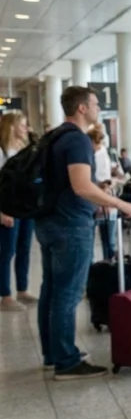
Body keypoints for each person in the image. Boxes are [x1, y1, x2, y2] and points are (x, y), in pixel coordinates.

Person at [36, 86, 131, 380]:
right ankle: (66, 361)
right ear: (81, 108)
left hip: (48, 222)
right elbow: (81, 185)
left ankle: (52, 353)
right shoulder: (78, 140)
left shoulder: (54, 136)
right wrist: (121, 204)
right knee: (67, 294)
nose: (98, 109)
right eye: (95, 104)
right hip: (70, 225)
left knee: (52, 289)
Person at [0, 113, 36, 311]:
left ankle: (22, 289)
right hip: (8, 209)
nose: (25, 128)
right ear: (11, 126)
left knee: (24, 248)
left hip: (24, 208)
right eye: (22, 125)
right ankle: (5, 295)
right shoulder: (2, 151)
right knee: (7, 252)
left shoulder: (24, 149)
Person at [87, 125, 118, 261]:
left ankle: (105, 267)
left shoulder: (100, 154)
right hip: (101, 197)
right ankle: (104, 266)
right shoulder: (103, 154)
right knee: (107, 240)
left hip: (102, 196)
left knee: (107, 240)